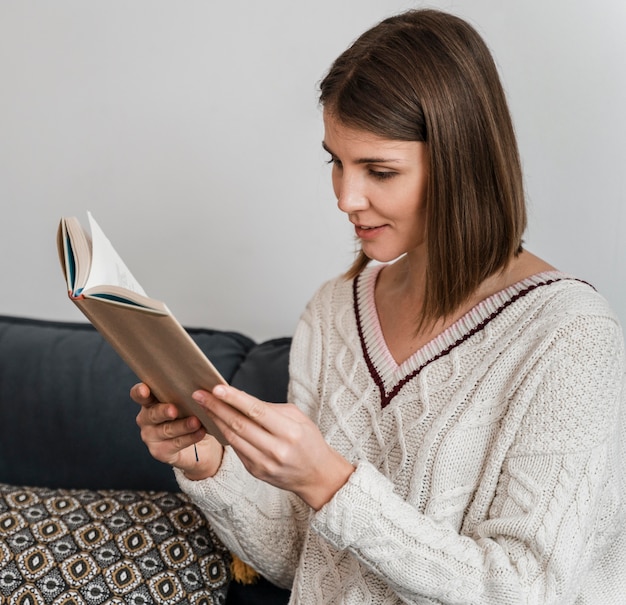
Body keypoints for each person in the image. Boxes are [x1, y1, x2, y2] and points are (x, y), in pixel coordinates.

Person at [133, 8, 626, 604]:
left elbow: (528, 589)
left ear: (461, 167)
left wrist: (331, 481)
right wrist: (209, 464)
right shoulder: (334, 312)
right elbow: (302, 559)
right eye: (335, 161)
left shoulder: (569, 338)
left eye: (379, 170)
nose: (346, 196)